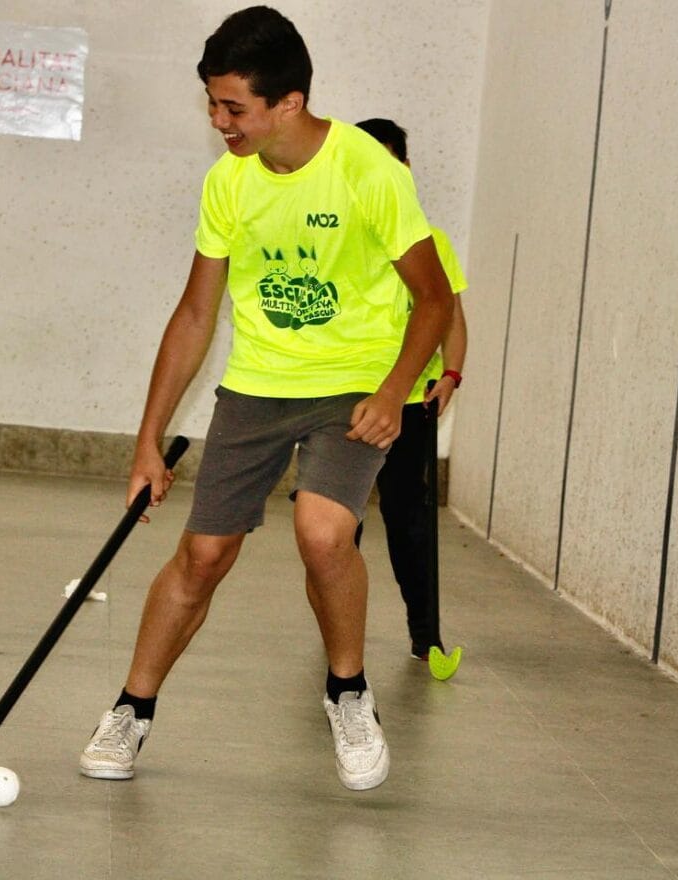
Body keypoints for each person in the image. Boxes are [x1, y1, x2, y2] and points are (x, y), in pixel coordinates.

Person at [79, 6, 453, 792]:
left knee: (323, 533)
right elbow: (194, 315)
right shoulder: (229, 181)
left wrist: (394, 392)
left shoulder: (367, 171)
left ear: (290, 102)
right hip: (257, 386)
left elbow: (434, 299)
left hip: (351, 383)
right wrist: (148, 440)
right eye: (212, 104)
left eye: (233, 108)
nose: (219, 122)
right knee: (203, 554)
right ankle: (130, 711)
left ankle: (348, 692)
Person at [354, 117, 468, 682]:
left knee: (408, 521)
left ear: (406, 168)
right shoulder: (343, 236)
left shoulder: (432, 242)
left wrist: (450, 376)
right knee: (332, 525)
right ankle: (338, 630)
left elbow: (450, 318)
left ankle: (427, 638)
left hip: (410, 407)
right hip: (345, 400)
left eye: (393, 161)